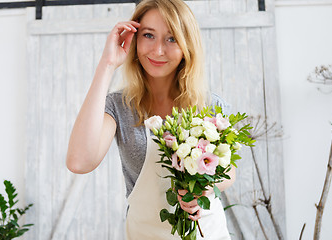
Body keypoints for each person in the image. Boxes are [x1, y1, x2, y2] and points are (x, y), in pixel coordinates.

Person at [66, 0, 236, 239]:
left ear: (188, 45)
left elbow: (229, 172)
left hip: (207, 233)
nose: (157, 50)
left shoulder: (210, 105)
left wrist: (205, 189)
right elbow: (79, 162)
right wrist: (107, 65)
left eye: (171, 38)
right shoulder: (119, 107)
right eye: (148, 35)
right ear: (135, 39)